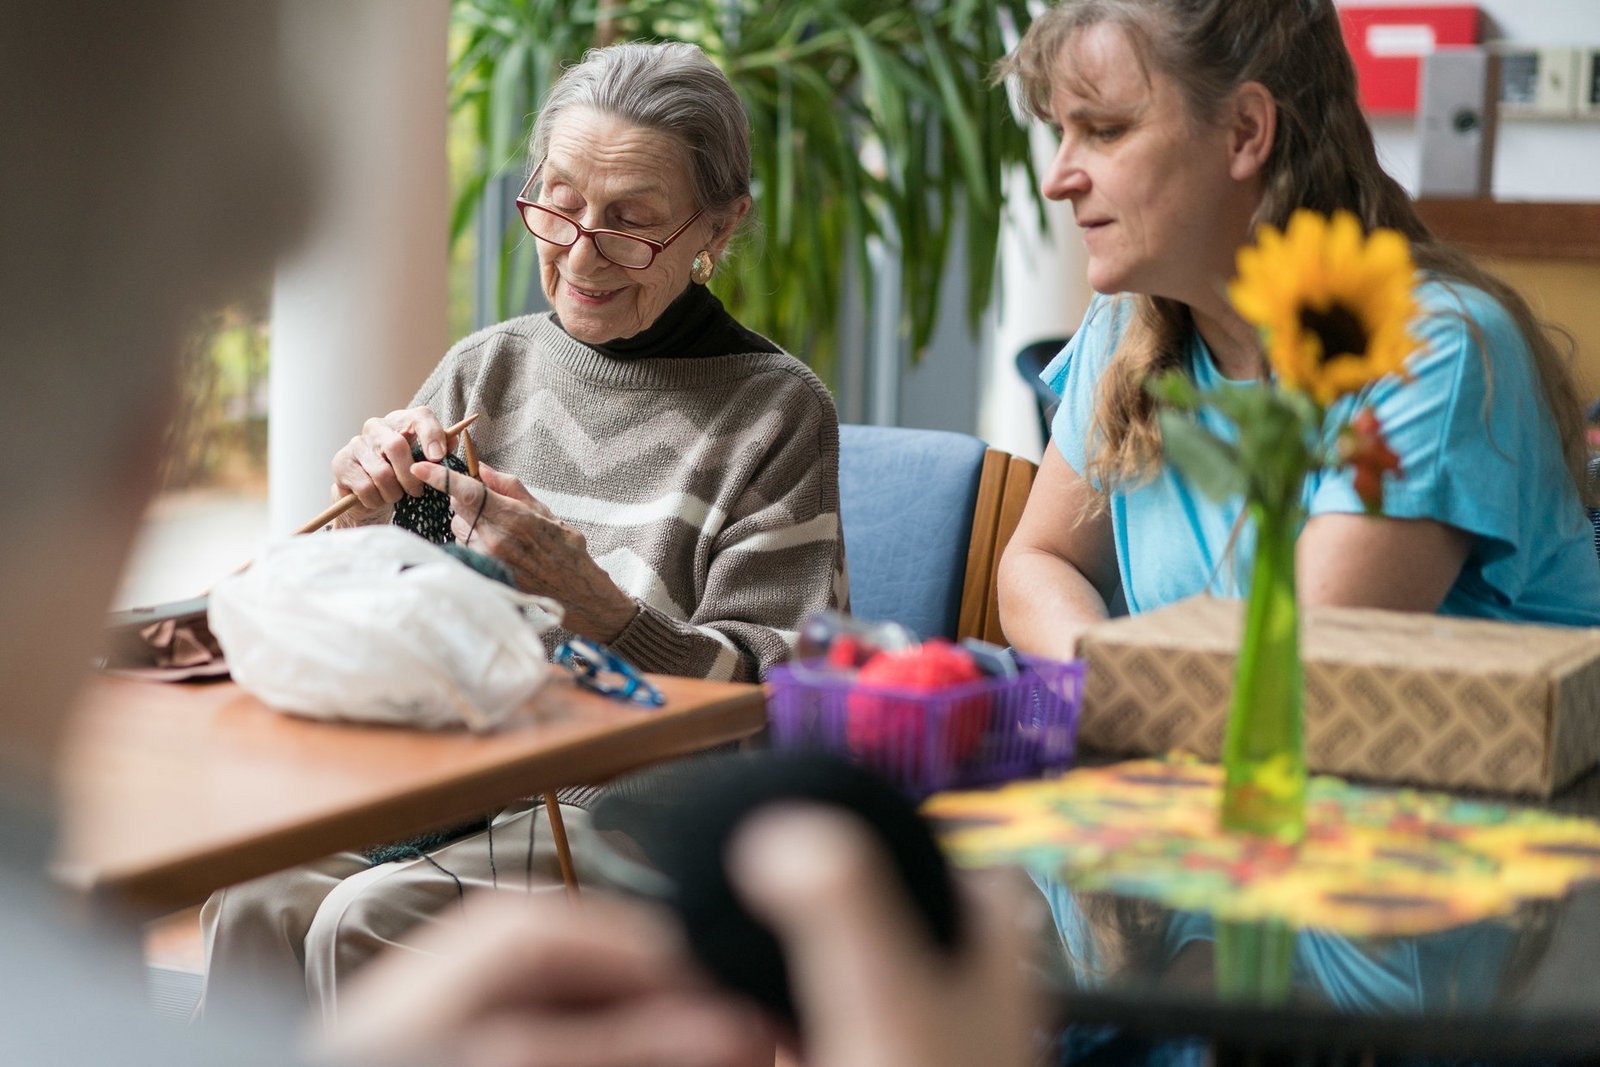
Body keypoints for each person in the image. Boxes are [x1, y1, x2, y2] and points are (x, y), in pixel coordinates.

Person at [199, 41, 848, 1023]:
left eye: (630, 223)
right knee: (248, 896)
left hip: (633, 804)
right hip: (455, 771)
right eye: (555, 201)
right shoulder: (484, 371)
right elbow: (423, 597)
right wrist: (383, 508)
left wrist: (597, 604)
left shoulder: (774, 413)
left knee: (368, 917)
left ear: (718, 226)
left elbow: (773, 696)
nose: (580, 253)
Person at [996, 0, 1600, 663]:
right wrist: (1102, 670)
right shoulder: (1128, 326)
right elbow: (1039, 559)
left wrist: (1121, 690)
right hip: (1205, 752)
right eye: (1062, 132)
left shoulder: (1432, 350)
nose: (1057, 179)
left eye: (1105, 130)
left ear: (1246, 131)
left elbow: (1294, 672)